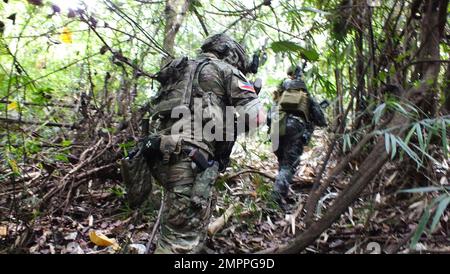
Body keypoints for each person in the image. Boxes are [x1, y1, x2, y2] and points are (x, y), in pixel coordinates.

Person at [139, 33, 265, 254]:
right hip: (188, 161)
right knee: (179, 243)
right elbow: (257, 118)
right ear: (231, 54)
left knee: (183, 222)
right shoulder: (225, 70)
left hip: (158, 155)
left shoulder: (178, 68)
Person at [269, 65, 327, 205]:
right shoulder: (306, 96)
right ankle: (275, 198)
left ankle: (281, 191)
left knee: (283, 163)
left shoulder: (279, 97)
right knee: (288, 166)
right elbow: (321, 120)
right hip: (295, 127)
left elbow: (269, 116)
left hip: (277, 127)